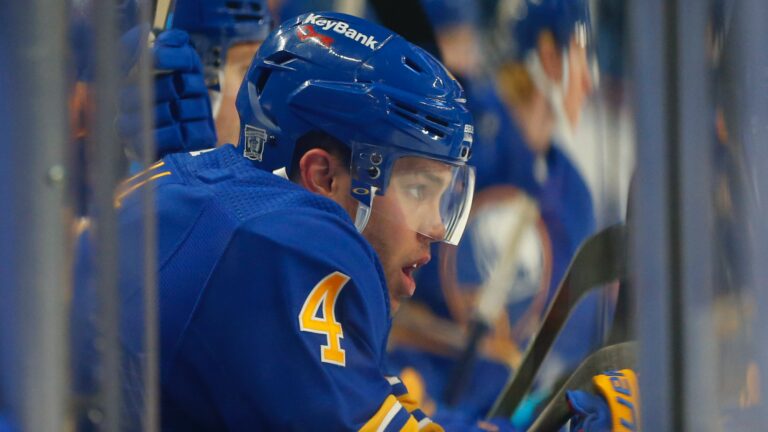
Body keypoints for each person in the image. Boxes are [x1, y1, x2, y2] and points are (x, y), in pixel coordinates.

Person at [87, 11, 477, 430]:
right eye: (418, 189)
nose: (437, 227)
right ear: (322, 176)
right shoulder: (286, 244)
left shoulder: (208, 188)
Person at [387, 0, 604, 424]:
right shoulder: (462, 131)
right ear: (547, 50)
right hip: (414, 394)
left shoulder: (572, 189)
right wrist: (460, 342)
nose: (591, 79)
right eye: (583, 54)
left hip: (508, 414)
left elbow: (573, 340)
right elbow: (378, 291)